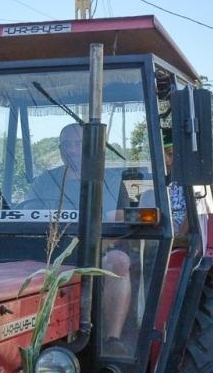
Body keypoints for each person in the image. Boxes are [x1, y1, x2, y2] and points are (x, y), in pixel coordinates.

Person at [23, 123, 132, 347]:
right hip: (47, 251)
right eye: (66, 145)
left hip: (95, 251)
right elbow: (26, 212)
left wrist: (96, 246)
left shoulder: (110, 181)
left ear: (90, 147)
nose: (71, 150)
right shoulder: (46, 180)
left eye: (77, 144)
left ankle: (112, 339)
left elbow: (118, 219)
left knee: (119, 261)